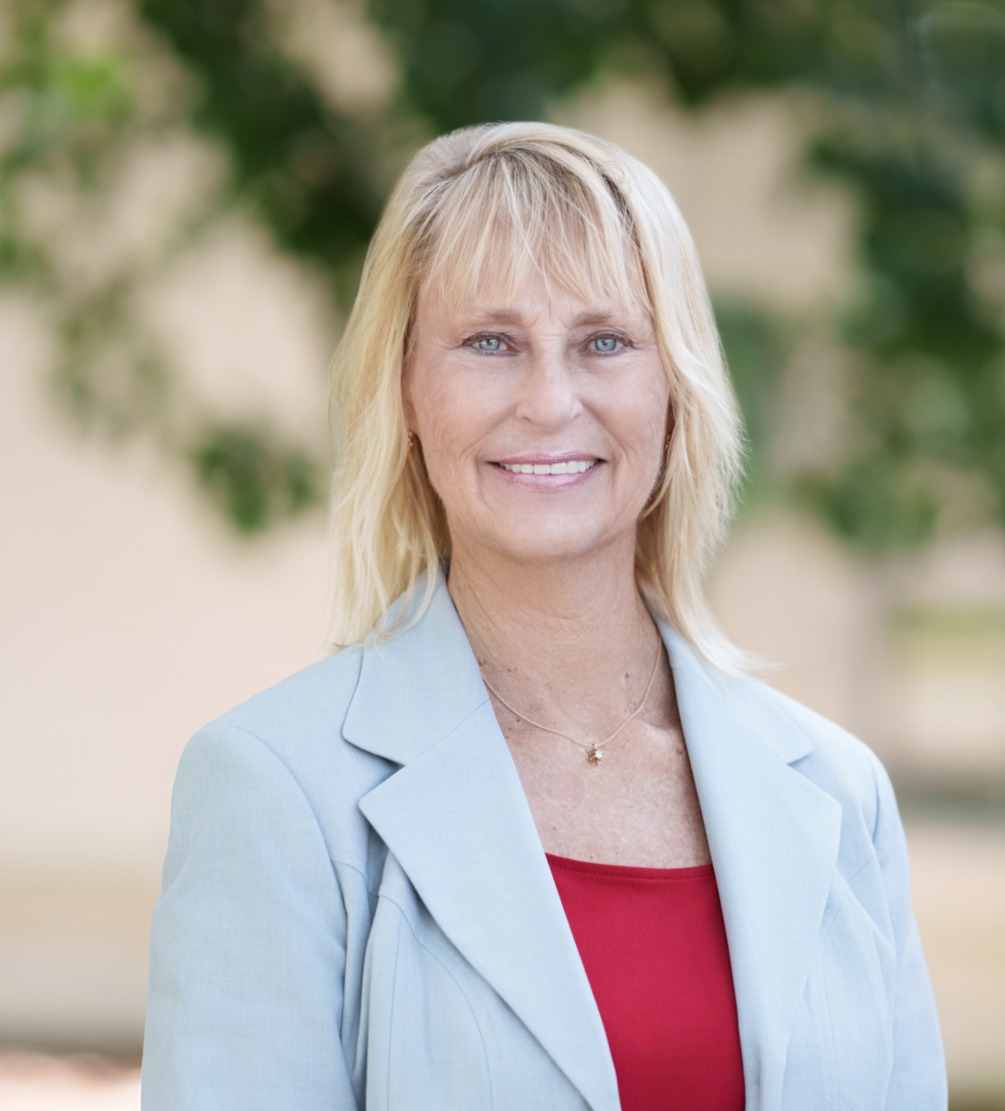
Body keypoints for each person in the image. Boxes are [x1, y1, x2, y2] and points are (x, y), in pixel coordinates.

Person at [142, 121, 946, 1110]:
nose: (549, 398)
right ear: (405, 389)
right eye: (490, 342)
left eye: (604, 341)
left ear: (673, 389)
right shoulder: (276, 788)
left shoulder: (837, 790)